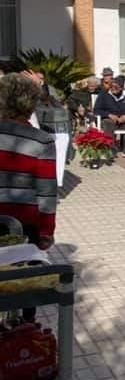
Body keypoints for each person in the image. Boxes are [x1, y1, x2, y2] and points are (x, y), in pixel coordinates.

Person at [0, 74, 57, 250]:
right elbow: (46, 192)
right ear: (31, 104)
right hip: (24, 224)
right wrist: (46, 231)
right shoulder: (41, 140)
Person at [93, 75, 125, 154]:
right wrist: (109, 115)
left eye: (116, 87)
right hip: (110, 121)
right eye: (112, 86)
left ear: (122, 88)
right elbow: (96, 110)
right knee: (106, 123)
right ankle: (111, 148)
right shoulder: (104, 95)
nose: (113, 89)